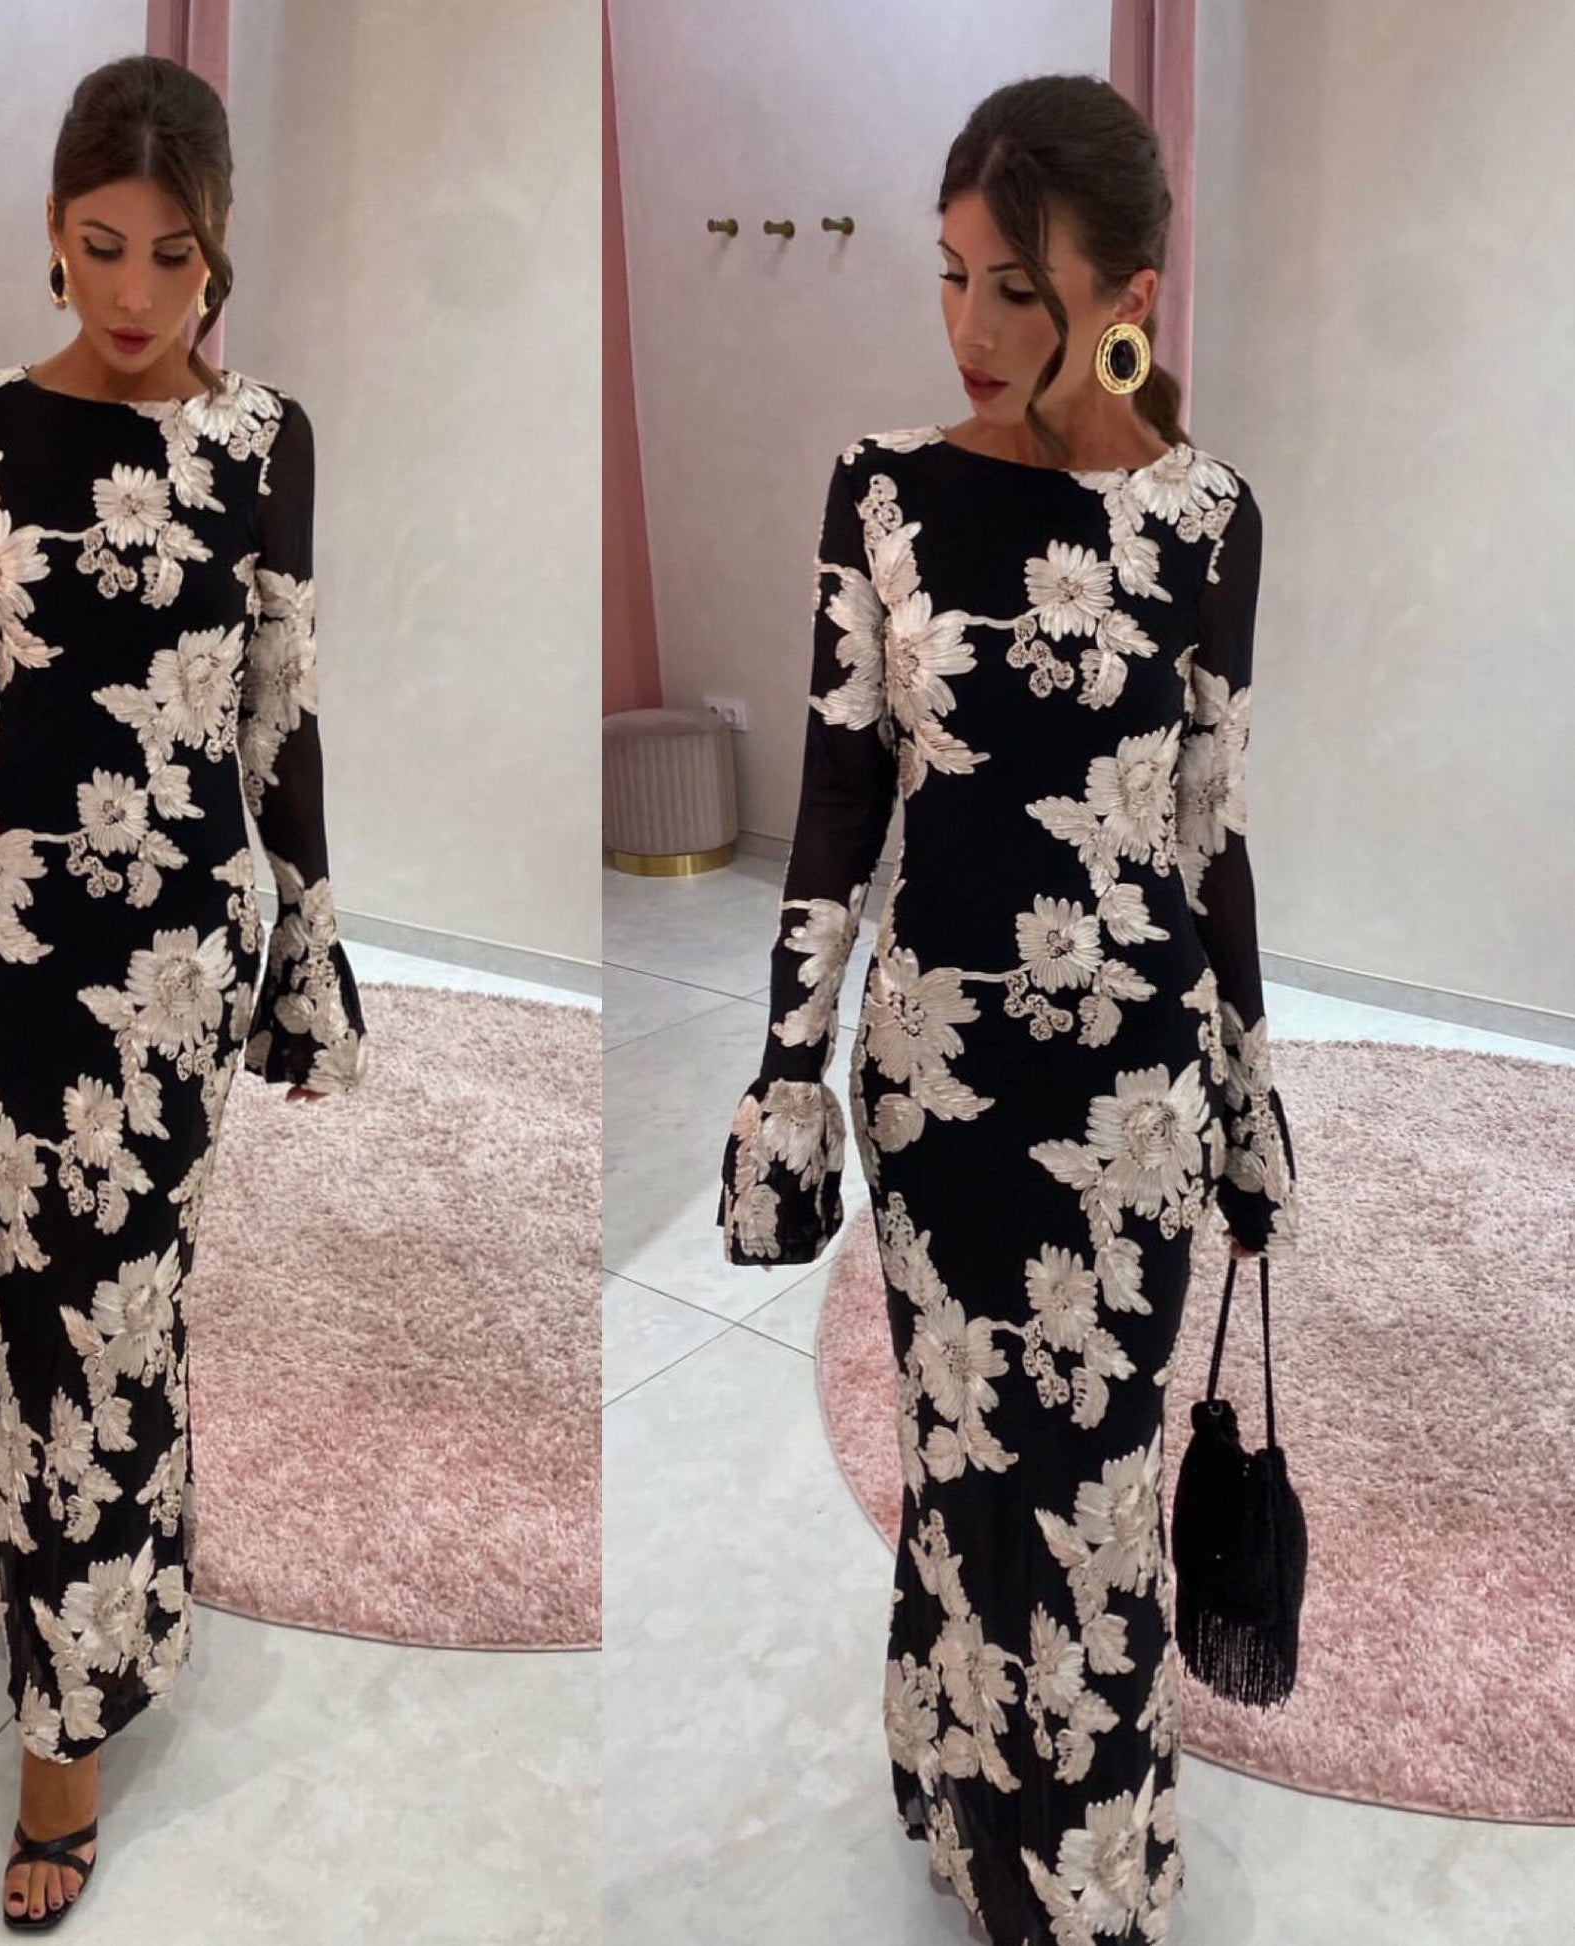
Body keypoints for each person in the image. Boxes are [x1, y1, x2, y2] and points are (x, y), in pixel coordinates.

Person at [715, 73, 1299, 1946]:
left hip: (1131, 1100)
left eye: (1016, 291)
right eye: (952, 276)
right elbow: (836, 795)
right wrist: (783, 1073)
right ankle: (963, 1780)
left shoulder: (1210, 521)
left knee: (1095, 1499)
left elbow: (1207, 831)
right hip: (939, 1091)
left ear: (1127, 295)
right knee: (967, 1467)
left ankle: (1080, 1886)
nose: (968, 327)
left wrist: (1247, 1087)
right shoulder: (884, 491)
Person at [0, 55, 369, 1928]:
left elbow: (279, 716)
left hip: (180, 965)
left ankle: (80, 1663)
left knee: (123, 1309)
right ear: (50, 235)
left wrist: (309, 945)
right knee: (47, 1301)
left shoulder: (266, 441)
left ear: (220, 253)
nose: (135, 293)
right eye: (99, 244)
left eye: (172, 255)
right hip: (20, 946)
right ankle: (67, 1646)